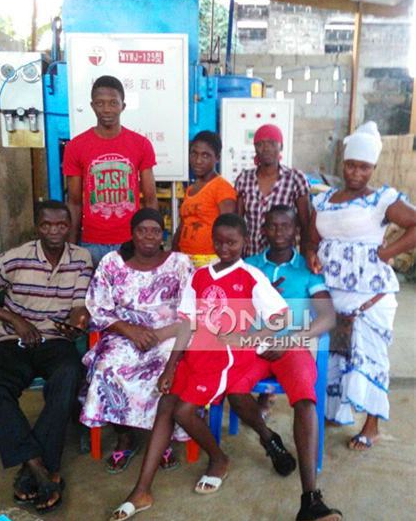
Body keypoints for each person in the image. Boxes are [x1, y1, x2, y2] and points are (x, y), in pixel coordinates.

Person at [110, 213, 298, 521]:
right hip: (196, 354)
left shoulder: (250, 276)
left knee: (184, 411)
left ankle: (219, 459)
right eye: (219, 242)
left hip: (226, 357)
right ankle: (141, 490)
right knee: (166, 405)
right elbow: (187, 324)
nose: (224, 248)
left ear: (245, 242)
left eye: (232, 243)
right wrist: (171, 367)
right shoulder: (200, 276)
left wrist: (251, 338)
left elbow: (282, 315)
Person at [0, 200, 93, 513]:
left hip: (55, 340)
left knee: (69, 375)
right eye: (47, 225)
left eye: (61, 225)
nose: (54, 231)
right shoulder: (16, 257)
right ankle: (41, 469)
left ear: (70, 227)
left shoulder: (81, 258)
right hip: (14, 340)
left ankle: (31, 467)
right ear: (37, 227)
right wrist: (14, 319)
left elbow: (79, 303)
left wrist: (77, 322)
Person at [307, 121, 416, 451]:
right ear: (343, 164)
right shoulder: (325, 199)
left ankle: (372, 425)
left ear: (373, 168)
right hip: (331, 293)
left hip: (370, 295)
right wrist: (311, 254)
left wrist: (388, 252)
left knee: (369, 357)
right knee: (334, 356)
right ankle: (335, 413)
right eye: (351, 165)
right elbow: (312, 238)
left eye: (364, 167)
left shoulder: (381, 199)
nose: (356, 173)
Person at [246, 205, 342, 521]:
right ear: (263, 230)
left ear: (295, 231)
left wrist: (288, 340)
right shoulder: (249, 266)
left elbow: (327, 317)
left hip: (292, 347)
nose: (279, 232)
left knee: (304, 400)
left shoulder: (307, 269)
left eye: (285, 226)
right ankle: (269, 439)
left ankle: (310, 499)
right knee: (232, 387)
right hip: (253, 347)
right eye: (272, 226)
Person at [80, 208, 194, 474]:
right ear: (132, 233)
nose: (149, 236)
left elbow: (193, 311)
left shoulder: (179, 263)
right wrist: (130, 330)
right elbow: (97, 306)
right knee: (107, 368)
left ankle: (161, 436)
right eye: (142, 230)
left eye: (155, 231)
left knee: (168, 369)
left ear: (163, 235)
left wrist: (161, 335)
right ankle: (125, 437)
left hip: (171, 334)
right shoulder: (112, 262)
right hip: (123, 333)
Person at [63, 75, 158, 267]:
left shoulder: (141, 144)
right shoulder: (75, 147)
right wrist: (71, 248)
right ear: (92, 106)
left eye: (113, 103)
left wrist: (152, 242)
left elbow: (150, 199)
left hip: (131, 241)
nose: (106, 109)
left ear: (123, 106)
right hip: (91, 242)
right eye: (100, 103)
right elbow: (74, 202)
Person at [235, 123, 310, 258]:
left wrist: (304, 259)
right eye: (260, 144)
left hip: (283, 260)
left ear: (281, 146)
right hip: (251, 257)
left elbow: (305, 226)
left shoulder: (295, 179)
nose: (266, 148)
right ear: (255, 148)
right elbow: (237, 224)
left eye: (272, 143)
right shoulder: (244, 179)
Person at [172, 131, 236, 267]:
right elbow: (182, 226)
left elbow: (229, 230)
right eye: (194, 153)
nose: (198, 160)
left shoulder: (222, 187)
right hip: (185, 259)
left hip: (210, 261)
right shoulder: (190, 189)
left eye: (205, 155)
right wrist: (173, 256)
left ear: (217, 158)